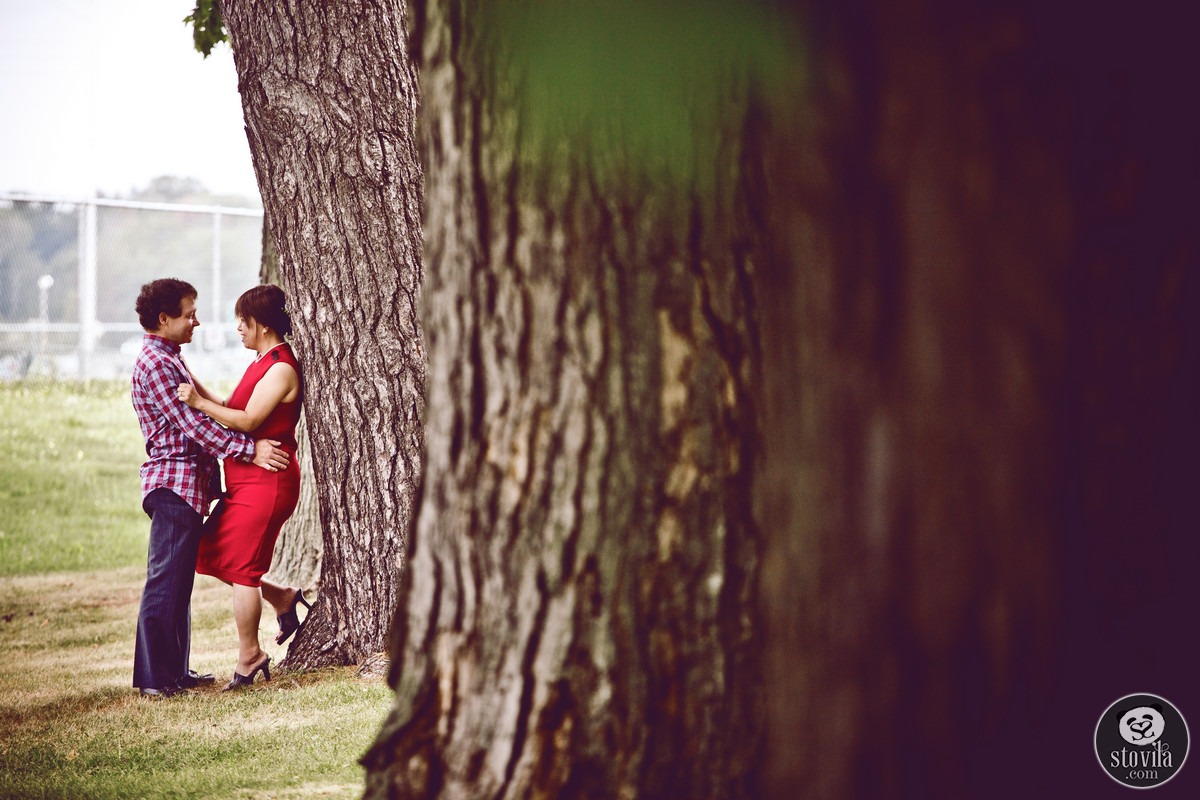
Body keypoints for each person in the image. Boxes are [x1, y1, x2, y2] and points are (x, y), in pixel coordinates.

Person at [131, 278, 290, 698]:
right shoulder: (159, 363)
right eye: (189, 314)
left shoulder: (171, 357)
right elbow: (193, 425)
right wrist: (248, 451)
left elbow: (206, 409)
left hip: (190, 484)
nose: (196, 322)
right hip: (174, 482)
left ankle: (175, 672)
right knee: (166, 581)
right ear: (164, 319)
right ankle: (155, 679)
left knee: (179, 580)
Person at [176, 284, 309, 691]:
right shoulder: (260, 361)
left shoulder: (282, 367)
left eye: (243, 320)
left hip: (267, 482)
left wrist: (198, 404)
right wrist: (187, 377)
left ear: (263, 324)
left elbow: (248, 421)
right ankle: (283, 598)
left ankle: (250, 655)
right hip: (247, 481)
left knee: (245, 571)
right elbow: (232, 408)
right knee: (207, 553)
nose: (238, 327)